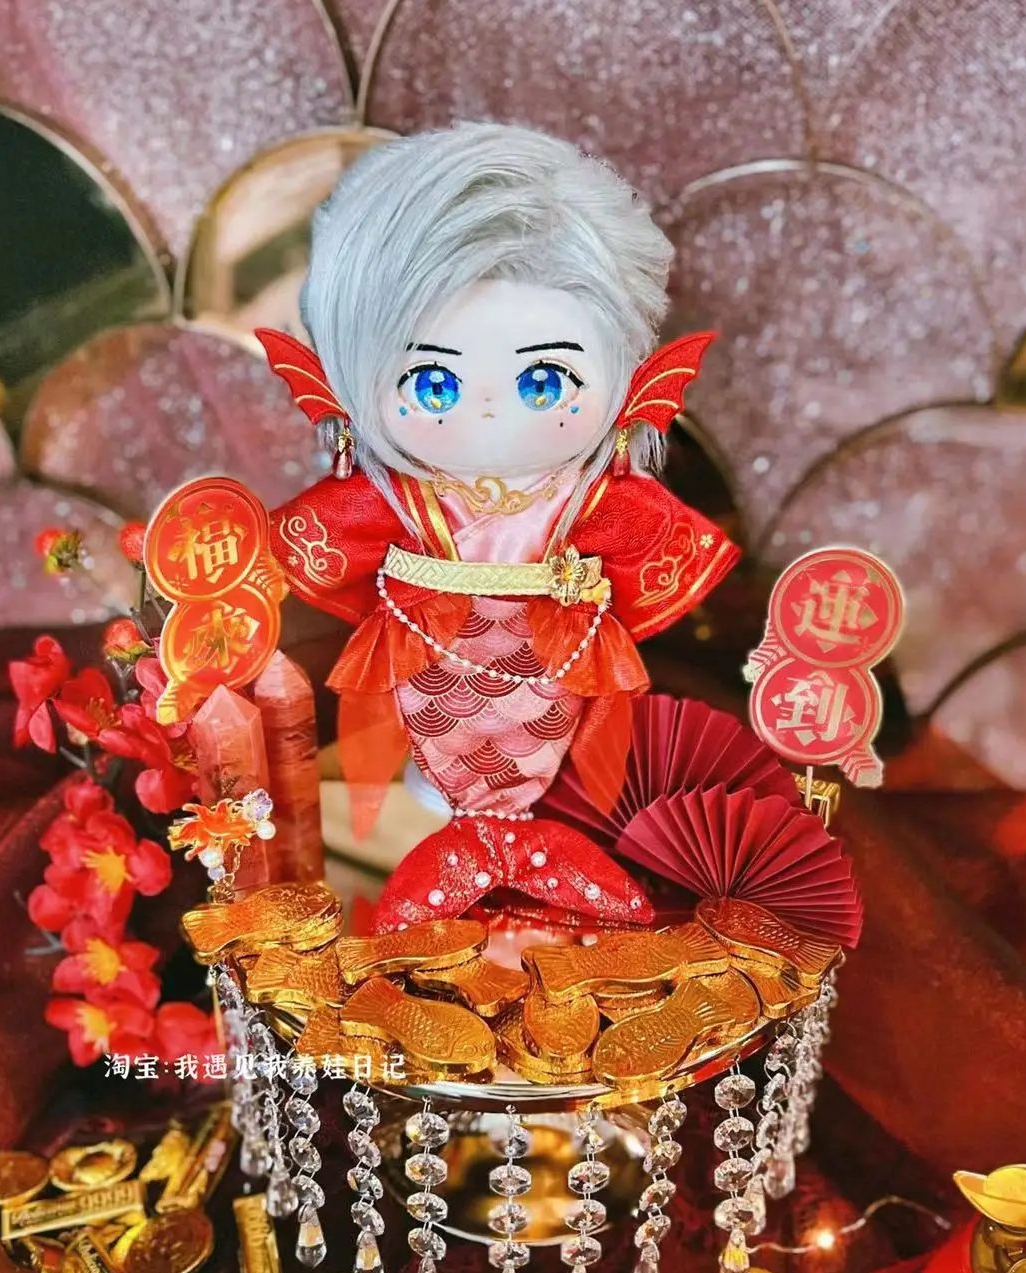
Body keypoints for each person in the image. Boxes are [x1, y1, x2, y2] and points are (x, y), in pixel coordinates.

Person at [258, 122, 738, 927]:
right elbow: (312, 543)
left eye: (545, 382)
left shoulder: (590, 501)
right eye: (433, 385)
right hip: (430, 668)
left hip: (553, 672)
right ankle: (463, 820)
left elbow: (653, 549)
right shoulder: (397, 501)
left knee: (561, 748)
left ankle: (527, 828)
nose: (487, 413)